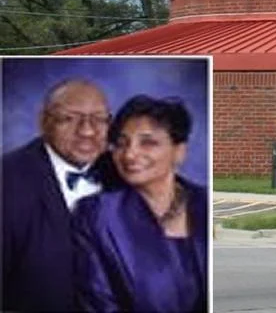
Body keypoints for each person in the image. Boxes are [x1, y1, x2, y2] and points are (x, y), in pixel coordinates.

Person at [73, 94, 209, 313]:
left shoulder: (211, 204)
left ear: (179, 151)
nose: (130, 154)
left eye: (148, 142)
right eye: (121, 143)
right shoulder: (96, 214)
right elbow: (97, 304)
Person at [2, 78, 112, 313]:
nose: (87, 131)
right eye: (69, 119)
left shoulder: (126, 172)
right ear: (44, 122)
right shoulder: (6, 180)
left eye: (99, 119)